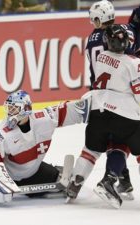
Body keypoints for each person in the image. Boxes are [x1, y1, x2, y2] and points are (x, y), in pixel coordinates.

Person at [67, 24, 140, 208]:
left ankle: (75, 183)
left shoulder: (101, 57)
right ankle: (109, 180)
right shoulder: (133, 63)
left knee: (91, 149)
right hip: (124, 115)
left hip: (98, 111)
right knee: (125, 146)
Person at [0, 89, 90, 203]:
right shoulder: (2, 133)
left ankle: (57, 172)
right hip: (10, 178)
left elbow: (72, 110)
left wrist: (93, 108)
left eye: (14, 109)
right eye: (9, 108)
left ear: (26, 109)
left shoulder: (44, 119)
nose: (10, 113)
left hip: (34, 171)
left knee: (63, 183)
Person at [85, 0, 137, 201]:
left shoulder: (93, 39)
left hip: (102, 94)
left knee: (114, 137)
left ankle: (120, 178)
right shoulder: (125, 31)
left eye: (94, 19)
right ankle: (118, 178)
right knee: (125, 135)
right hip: (125, 92)